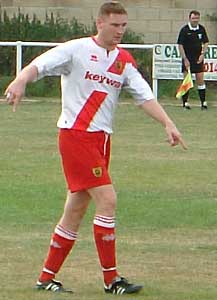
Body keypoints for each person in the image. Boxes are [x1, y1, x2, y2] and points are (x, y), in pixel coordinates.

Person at [5, 1, 187, 296]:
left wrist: (168, 122)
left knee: (75, 209)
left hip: (101, 140)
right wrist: (21, 80)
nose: (120, 31)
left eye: (124, 26)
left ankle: (46, 277)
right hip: (76, 135)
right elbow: (40, 64)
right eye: (115, 25)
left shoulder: (123, 60)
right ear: (99, 23)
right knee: (107, 199)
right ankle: (111, 280)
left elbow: (144, 96)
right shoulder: (76, 49)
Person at [177, 10, 209, 110]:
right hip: (188, 58)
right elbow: (180, 44)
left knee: (200, 79)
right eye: (193, 18)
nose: (195, 20)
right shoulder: (185, 30)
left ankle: (203, 103)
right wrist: (185, 58)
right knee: (187, 80)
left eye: (197, 18)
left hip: (198, 58)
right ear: (189, 18)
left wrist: (202, 54)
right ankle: (185, 103)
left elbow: (206, 42)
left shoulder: (201, 29)